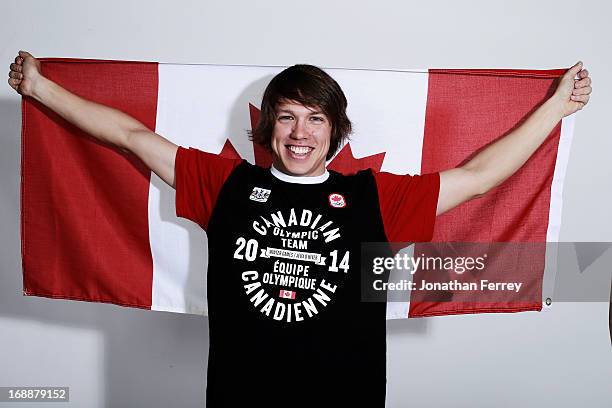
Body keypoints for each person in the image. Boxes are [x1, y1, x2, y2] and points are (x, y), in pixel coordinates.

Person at [8, 51, 591, 408]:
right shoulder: (226, 185)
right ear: (269, 127)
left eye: (316, 118)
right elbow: (132, 137)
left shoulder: (373, 197)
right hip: (241, 400)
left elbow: (480, 177)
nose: (300, 132)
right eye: (286, 115)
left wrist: (555, 107)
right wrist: (41, 88)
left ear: (336, 132)